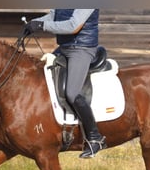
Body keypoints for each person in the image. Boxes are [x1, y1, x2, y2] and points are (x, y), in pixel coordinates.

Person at [23, 9, 107, 158]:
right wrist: (34, 23)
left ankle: (95, 137)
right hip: (64, 48)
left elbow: (73, 25)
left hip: (81, 49)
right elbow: (54, 16)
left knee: (72, 93)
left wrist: (42, 26)